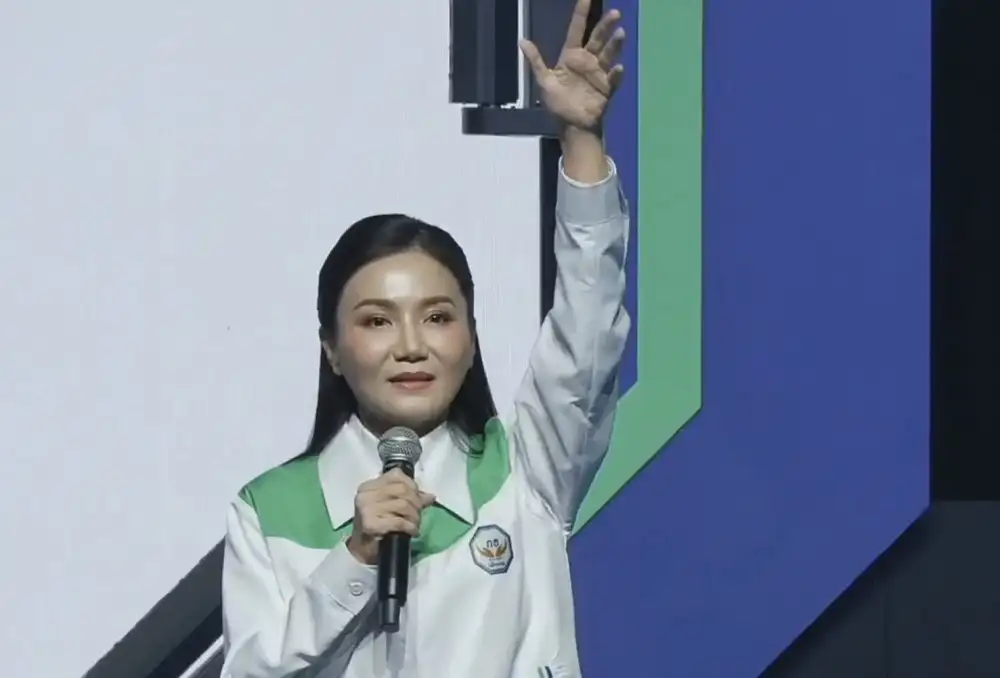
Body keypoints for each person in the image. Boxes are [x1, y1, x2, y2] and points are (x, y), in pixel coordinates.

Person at [221, 1, 629, 675]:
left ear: (471, 337)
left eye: (438, 317)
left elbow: (588, 330)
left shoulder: (526, 470)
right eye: (377, 320)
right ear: (331, 349)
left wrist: (581, 141)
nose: (411, 345)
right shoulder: (269, 511)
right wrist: (355, 558)